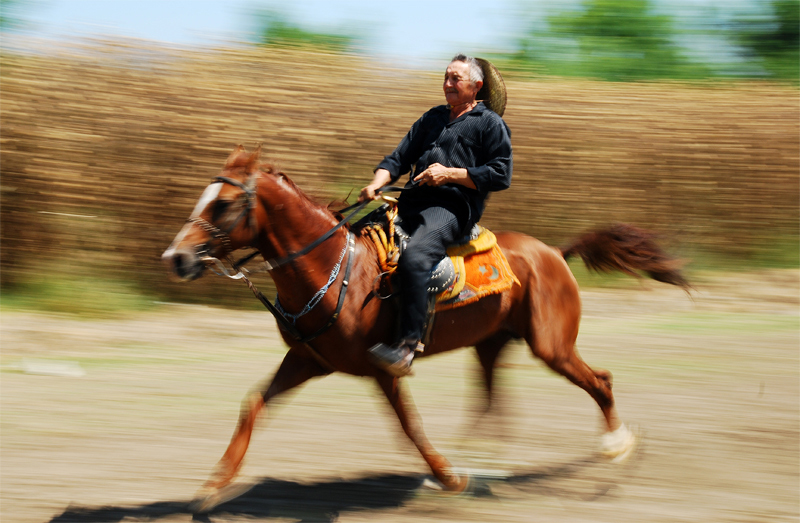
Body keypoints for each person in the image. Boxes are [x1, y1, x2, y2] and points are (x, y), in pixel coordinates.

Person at [360, 54, 513, 377]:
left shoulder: (490, 124)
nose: (447, 85)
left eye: (455, 79)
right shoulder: (431, 118)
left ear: (476, 86)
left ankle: (406, 346)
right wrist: (376, 183)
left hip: (452, 210)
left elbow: (501, 175)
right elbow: (398, 158)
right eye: (445, 77)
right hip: (411, 203)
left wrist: (450, 174)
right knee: (354, 237)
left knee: (414, 258)